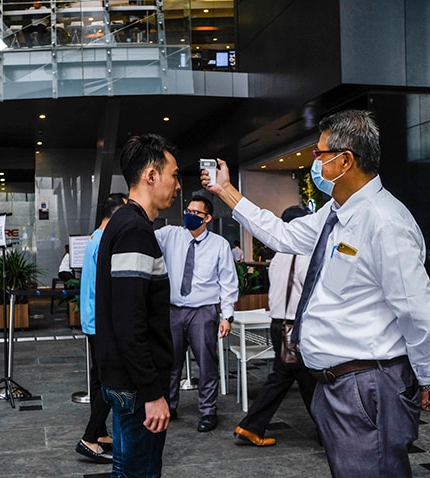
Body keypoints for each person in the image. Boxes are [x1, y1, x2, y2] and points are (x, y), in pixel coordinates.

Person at [202, 109, 430, 477]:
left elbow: (419, 313)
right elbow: (282, 235)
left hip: (366, 387)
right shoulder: (335, 213)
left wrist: (427, 375)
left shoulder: (384, 222)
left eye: (319, 155)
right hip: (337, 387)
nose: (314, 163)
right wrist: (226, 190)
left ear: (345, 160)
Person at [95, 133, 180, 477]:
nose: (177, 184)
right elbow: (130, 321)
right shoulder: (134, 230)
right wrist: (152, 392)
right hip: (135, 384)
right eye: (173, 175)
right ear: (150, 175)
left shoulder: (123, 222)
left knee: (126, 469)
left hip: (123, 377)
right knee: (139, 472)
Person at [234, 206, 317, 447]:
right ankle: (330, 433)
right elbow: (310, 293)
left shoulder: (280, 255)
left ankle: (251, 426)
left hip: (278, 325)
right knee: (307, 380)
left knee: (286, 377)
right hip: (295, 328)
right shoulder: (303, 255)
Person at [154, 195, 238, 433]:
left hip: (204, 311)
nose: (189, 216)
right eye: (188, 211)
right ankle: (169, 407)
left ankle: (208, 412)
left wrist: (227, 315)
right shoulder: (170, 235)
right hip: (174, 311)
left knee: (206, 363)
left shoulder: (219, 244)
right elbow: (143, 234)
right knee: (170, 362)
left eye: (196, 213)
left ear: (208, 218)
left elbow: (228, 282)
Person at [75, 192, 128, 464]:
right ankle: (88, 438)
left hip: (91, 320)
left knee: (99, 378)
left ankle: (100, 432)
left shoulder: (94, 238)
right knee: (108, 382)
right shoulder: (105, 242)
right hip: (101, 323)